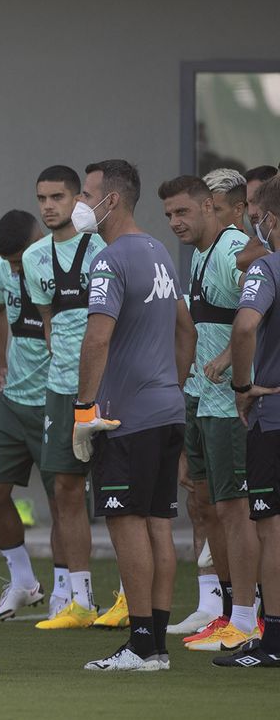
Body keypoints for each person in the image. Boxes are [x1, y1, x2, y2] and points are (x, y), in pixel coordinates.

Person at [71, 159, 193, 672]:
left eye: (86, 193)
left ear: (111, 200)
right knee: (158, 526)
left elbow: (97, 337)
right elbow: (184, 329)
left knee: (126, 524)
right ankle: (155, 646)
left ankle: (142, 646)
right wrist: (173, 384)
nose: (80, 204)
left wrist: (83, 410)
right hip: (166, 410)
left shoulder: (111, 259)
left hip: (127, 419)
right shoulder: (160, 252)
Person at [160, 172, 262, 651]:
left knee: (234, 511)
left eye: (183, 212)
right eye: (169, 215)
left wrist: (233, 360)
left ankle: (247, 617)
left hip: (232, 406)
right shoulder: (201, 252)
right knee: (210, 507)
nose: (175, 222)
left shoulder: (232, 247)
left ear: (209, 207)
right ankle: (229, 613)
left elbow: (265, 271)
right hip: (206, 400)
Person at [25, 165, 105, 629]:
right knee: (64, 490)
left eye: (58, 197)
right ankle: (79, 600)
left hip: (107, 385)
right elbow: (50, 323)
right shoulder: (35, 258)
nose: (49, 206)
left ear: (78, 200)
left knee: (123, 497)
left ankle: (132, 602)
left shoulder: (103, 251)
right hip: (59, 389)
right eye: (42, 198)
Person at [0, 209, 51, 620]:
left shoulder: (60, 264)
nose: (12, 268)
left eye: (17, 259)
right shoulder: (1, 268)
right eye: (7, 261)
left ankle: (70, 592)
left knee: (64, 499)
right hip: (10, 400)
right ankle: (24, 582)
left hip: (55, 398)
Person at [222, 176, 280, 667]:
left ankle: (275, 642)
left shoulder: (268, 268)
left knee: (272, 528)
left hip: (273, 419)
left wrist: (243, 388)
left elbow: (244, 325)